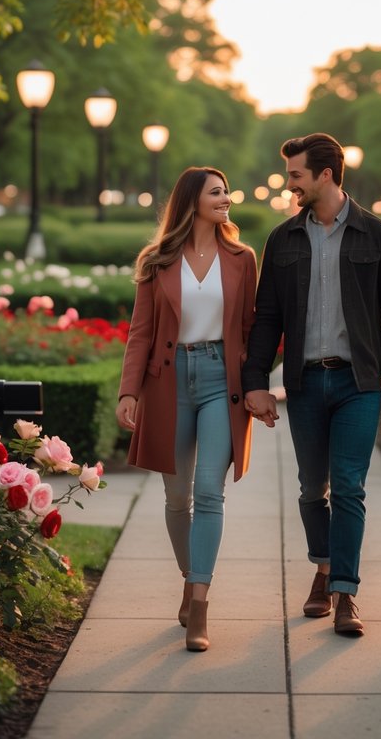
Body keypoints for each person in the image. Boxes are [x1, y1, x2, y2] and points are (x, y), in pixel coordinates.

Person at [243, 132, 381, 637]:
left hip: (358, 382)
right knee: (309, 490)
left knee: (349, 489)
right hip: (304, 383)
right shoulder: (283, 239)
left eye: (296, 175)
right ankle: (322, 568)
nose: (289, 183)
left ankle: (344, 593)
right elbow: (267, 318)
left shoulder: (378, 235)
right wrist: (255, 382)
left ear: (325, 175)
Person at [115, 166, 265, 652]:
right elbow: (140, 331)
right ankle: (189, 575)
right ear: (192, 201)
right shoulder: (157, 260)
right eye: (217, 193)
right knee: (177, 497)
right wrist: (128, 391)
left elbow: (253, 329)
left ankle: (200, 603)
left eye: (227, 192)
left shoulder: (243, 258)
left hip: (222, 379)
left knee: (209, 490)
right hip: (168, 381)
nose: (227, 199)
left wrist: (258, 384)